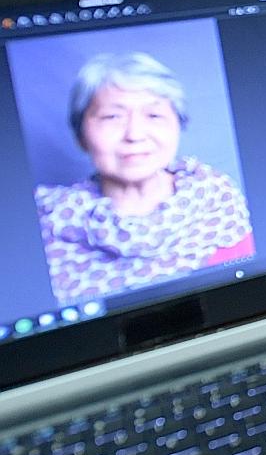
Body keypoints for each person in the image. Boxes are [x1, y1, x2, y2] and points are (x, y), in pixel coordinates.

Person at [34, 52, 253, 303]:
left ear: (178, 125)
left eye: (154, 115)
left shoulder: (216, 197)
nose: (135, 135)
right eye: (112, 117)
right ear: (80, 135)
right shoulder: (50, 221)